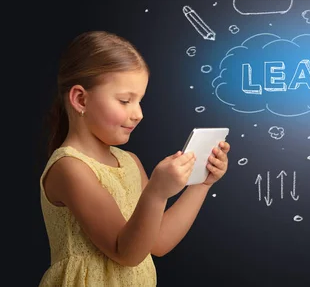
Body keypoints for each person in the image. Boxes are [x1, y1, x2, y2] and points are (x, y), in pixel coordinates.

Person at [38, 30, 230, 286]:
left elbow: (157, 242)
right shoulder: (70, 168)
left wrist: (202, 183)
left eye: (140, 101)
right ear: (80, 99)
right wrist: (157, 193)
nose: (138, 114)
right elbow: (126, 253)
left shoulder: (130, 161)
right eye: (125, 100)